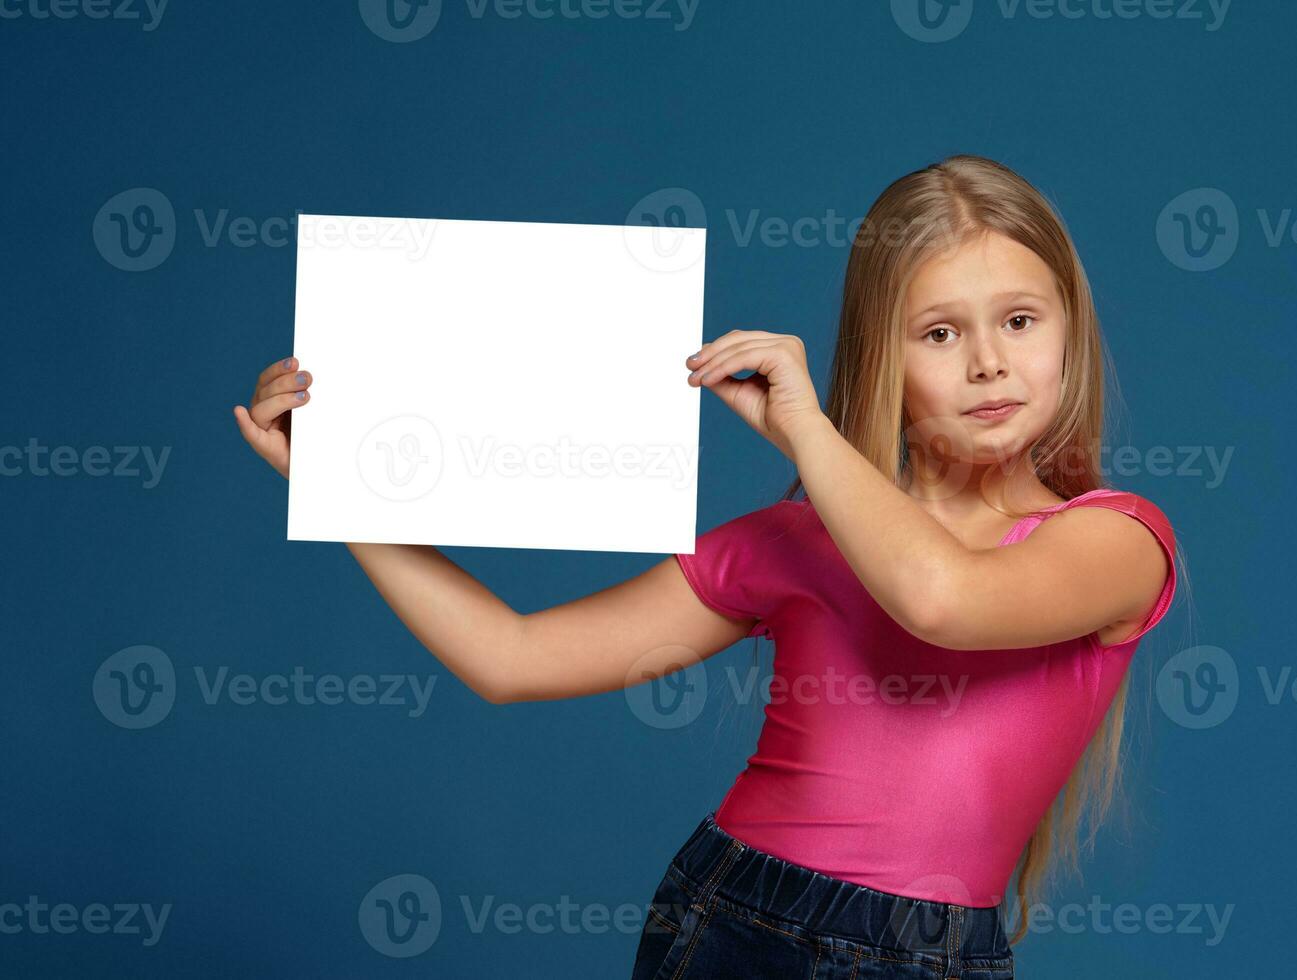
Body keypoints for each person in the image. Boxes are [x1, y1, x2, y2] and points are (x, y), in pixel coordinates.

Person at [234, 154, 1184, 979]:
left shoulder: (1118, 541)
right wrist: (342, 491)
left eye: (1019, 320)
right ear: (881, 355)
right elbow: (511, 657)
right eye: (939, 332)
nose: (987, 362)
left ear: (1070, 330)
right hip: (730, 924)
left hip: (924, 954)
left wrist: (808, 430)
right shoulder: (792, 541)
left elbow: (941, 598)